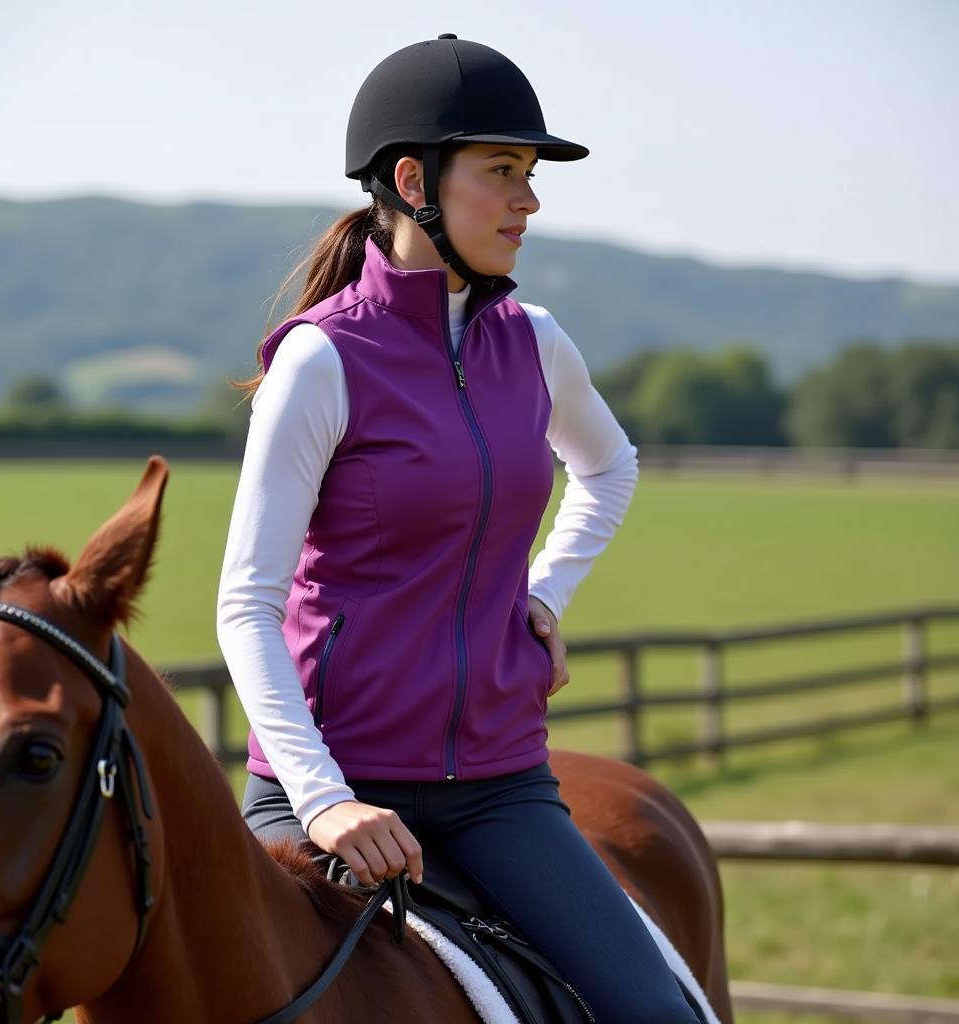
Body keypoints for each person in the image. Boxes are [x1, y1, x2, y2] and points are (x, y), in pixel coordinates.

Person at [217, 34, 700, 1022]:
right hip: (330, 788)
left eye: (529, 175)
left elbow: (608, 466)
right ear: (412, 180)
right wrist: (325, 799)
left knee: (661, 1015)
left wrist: (542, 592)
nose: (529, 201)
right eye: (503, 173)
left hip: (498, 786)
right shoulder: (321, 363)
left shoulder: (535, 341)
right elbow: (246, 604)